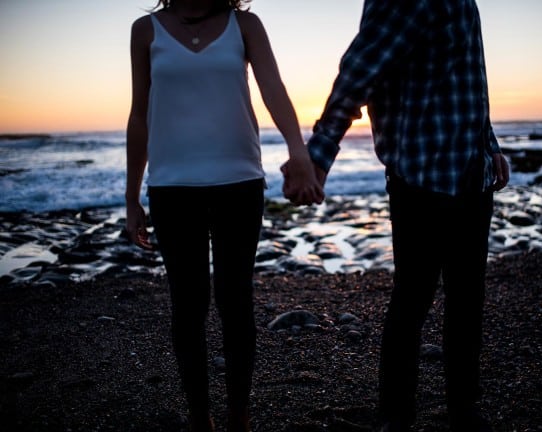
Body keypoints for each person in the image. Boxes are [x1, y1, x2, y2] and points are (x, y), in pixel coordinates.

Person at [282, 1, 510, 431]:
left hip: (471, 171)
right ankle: (396, 414)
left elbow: (467, 75)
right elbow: (360, 70)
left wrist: (490, 143)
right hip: (421, 172)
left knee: (467, 298)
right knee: (412, 300)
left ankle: (462, 406)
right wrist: (317, 156)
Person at [125, 0, 324, 430]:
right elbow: (139, 115)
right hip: (172, 187)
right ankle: (200, 418)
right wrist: (131, 197)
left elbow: (274, 89)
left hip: (239, 181)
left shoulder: (245, 24)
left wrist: (298, 151)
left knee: (235, 301)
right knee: (188, 305)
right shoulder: (145, 30)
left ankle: (238, 416)